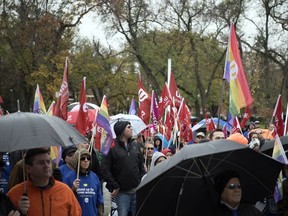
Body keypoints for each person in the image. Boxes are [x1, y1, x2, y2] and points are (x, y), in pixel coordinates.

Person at [7, 148, 82, 216]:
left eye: (48, 162)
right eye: (41, 163)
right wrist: (20, 212)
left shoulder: (65, 191)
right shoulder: (15, 194)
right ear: (29, 168)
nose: (46, 165)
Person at [101, 121, 146, 216]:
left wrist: (142, 181)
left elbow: (141, 166)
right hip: (121, 193)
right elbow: (105, 169)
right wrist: (114, 185)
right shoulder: (111, 147)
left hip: (137, 190)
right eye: (128, 127)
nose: (131, 128)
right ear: (121, 130)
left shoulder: (136, 145)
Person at [63, 148, 104, 216]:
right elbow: (64, 200)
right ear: (77, 160)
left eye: (88, 158)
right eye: (82, 158)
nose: (86, 160)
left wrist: (100, 213)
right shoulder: (68, 177)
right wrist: (72, 189)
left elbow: (99, 200)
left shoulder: (94, 177)